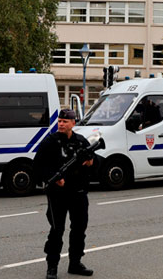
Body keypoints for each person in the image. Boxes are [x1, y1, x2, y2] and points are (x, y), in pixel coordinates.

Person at [34, 109, 97, 279]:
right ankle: (52, 267)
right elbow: (38, 165)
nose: (61, 124)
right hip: (57, 194)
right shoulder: (50, 142)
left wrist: (91, 161)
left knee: (79, 229)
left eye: (65, 121)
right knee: (56, 231)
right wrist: (52, 178)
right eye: (59, 121)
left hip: (78, 193)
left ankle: (75, 263)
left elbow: (95, 161)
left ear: (73, 123)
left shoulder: (80, 141)